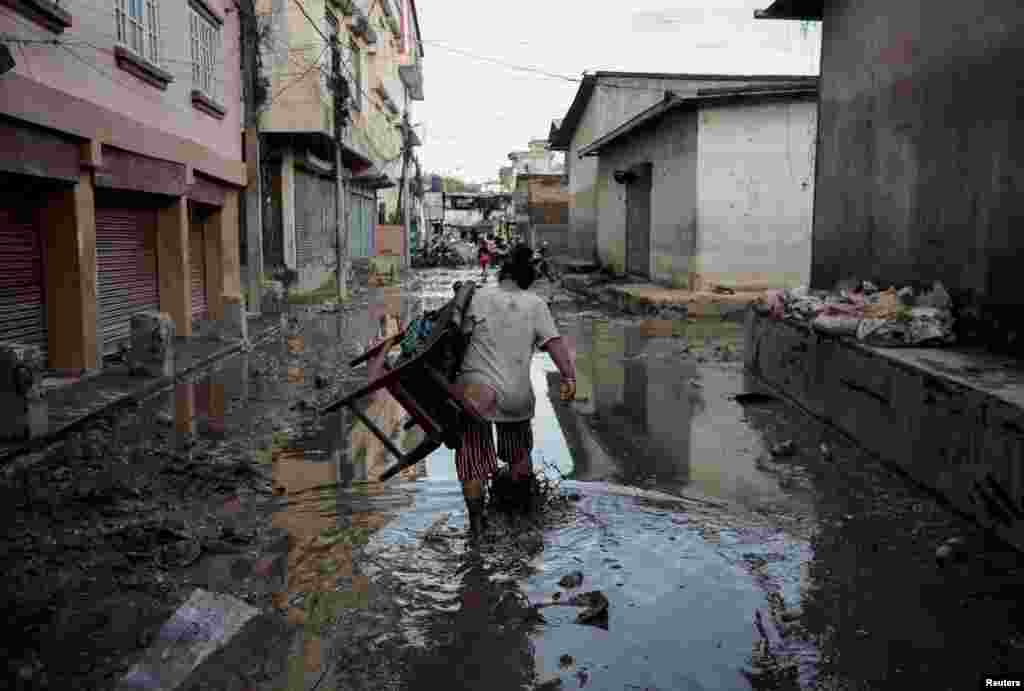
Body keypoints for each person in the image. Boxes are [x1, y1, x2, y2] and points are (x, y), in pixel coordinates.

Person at [453, 244, 576, 538]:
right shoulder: (536, 304)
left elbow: (456, 339)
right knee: (518, 454)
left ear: (502, 274)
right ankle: (522, 520)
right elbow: (555, 345)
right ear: (527, 280)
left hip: (475, 394)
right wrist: (569, 378)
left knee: (471, 459)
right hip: (515, 396)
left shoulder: (478, 298)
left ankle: (477, 526)